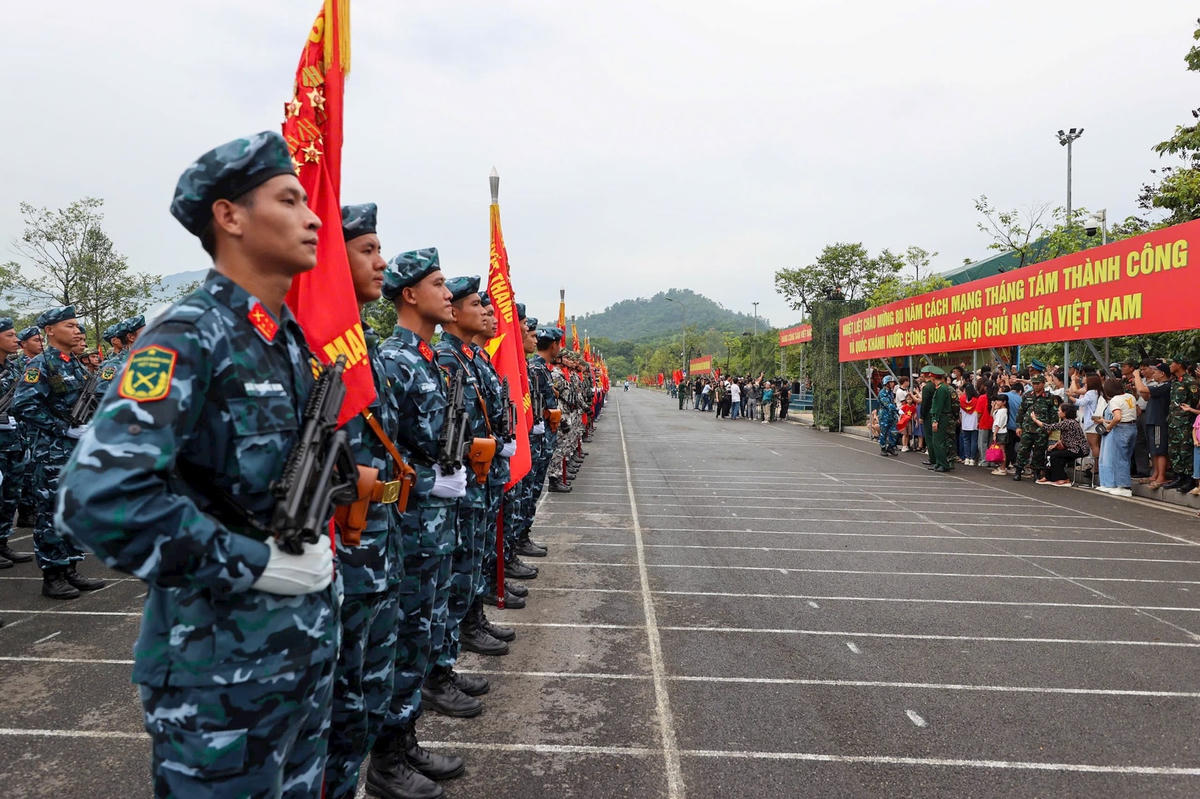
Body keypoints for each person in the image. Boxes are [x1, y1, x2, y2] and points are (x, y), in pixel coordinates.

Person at [56, 131, 337, 797]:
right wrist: (255, 561)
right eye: (290, 198)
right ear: (230, 216)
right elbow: (97, 494)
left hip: (297, 658)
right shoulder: (190, 333)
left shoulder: (284, 341)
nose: (314, 215)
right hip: (218, 679)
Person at [370, 247, 470, 799]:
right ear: (410, 295)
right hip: (411, 521)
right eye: (438, 284)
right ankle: (387, 759)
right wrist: (432, 484)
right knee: (406, 636)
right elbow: (382, 453)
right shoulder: (394, 361)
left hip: (437, 520)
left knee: (424, 627)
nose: (448, 294)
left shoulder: (429, 359)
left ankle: (404, 740)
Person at [324, 202, 407, 799]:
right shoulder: (307, 343)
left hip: (375, 547)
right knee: (329, 712)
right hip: (325, 565)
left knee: (361, 703)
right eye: (367, 250)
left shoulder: (360, 345)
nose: (382, 263)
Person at [12, 305, 105, 598]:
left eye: (77, 325)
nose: (77, 330)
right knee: (51, 512)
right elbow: (23, 406)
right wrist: (63, 428)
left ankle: (70, 568)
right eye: (70, 325)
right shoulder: (41, 365)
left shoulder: (74, 363)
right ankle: (53, 574)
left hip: (78, 450)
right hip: (53, 453)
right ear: (50, 330)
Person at [0, 317, 35, 567]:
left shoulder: (13, 368)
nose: (16, 340)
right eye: (10, 335)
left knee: (9, 497)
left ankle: (2, 543)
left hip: (14, 441)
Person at [1013, 375, 1060, 482]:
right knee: (1023, 450)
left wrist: (1050, 428)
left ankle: (1036, 472)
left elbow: (1054, 415)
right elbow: (1021, 412)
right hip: (1027, 428)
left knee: (1039, 452)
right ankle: (1018, 471)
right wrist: (1019, 426)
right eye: (1034, 383)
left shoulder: (1050, 397)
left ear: (1043, 383)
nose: (1035, 385)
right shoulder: (1027, 395)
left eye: (1038, 383)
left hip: (1041, 429)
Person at [1096, 378, 1138, 496]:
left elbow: (1118, 417)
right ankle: (1123, 484)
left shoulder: (1115, 400)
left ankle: (1123, 487)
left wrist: (1109, 426)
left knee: (1120, 457)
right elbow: (1138, 411)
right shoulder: (1130, 396)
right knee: (1126, 457)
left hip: (1121, 428)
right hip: (1133, 427)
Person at [1030, 403, 1088, 485]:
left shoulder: (1069, 422)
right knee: (1050, 451)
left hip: (1078, 449)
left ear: (1065, 413)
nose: (1058, 412)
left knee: (1055, 455)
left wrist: (1035, 420)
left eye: (1059, 410)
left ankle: (1064, 478)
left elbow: (1049, 427)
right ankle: (1048, 476)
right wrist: (1055, 445)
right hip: (1070, 448)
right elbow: (1065, 438)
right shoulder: (1066, 422)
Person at [1165, 356, 1200, 492]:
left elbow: (1195, 400)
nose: (1170, 365)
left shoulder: (1190, 382)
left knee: (1186, 451)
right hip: (1174, 421)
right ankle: (1178, 477)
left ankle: (1189, 479)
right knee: (1174, 451)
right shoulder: (1175, 381)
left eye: (1173, 363)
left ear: (1179, 365)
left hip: (1185, 423)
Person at [926, 367, 953, 472]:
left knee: (939, 442)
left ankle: (943, 464)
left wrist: (935, 420)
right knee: (936, 441)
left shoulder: (941, 389)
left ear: (933, 378)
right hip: (940, 416)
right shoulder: (941, 388)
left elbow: (938, 406)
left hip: (941, 417)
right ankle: (938, 462)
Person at [877, 375, 899, 456]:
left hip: (892, 416)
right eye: (891, 382)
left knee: (894, 432)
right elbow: (887, 404)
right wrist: (898, 410)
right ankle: (883, 448)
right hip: (884, 416)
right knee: (884, 432)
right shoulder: (882, 393)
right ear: (886, 383)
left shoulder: (891, 392)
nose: (893, 384)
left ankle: (890, 447)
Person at [989, 395, 1009, 475]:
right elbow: (991, 415)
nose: (997, 402)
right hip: (998, 432)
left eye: (999, 400)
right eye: (997, 400)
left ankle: (1003, 468)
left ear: (1004, 402)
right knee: (1000, 450)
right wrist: (993, 407)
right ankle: (1001, 466)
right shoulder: (999, 410)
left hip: (1001, 432)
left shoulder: (1003, 411)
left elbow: (998, 424)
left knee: (1002, 450)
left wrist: (994, 434)